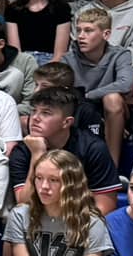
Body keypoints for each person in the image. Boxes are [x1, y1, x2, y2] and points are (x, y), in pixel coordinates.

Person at [7, 85, 120, 215]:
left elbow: (105, 206)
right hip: (37, 225)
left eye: (46, 113)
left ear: (66, 122)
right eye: (34, 111)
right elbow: (24, 204)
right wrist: (37, 155)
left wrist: (76, 229)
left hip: (80, 222)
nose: (35, 118)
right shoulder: (23, 151)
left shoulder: (92, 148)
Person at [63, 5, 133, 163]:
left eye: (88, 31)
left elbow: (125, 84)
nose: (81, 36)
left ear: (106, 34)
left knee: (112, 99)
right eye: (79, 30)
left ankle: (112, 166)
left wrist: (88, 95)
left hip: (110, 110)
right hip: (82, 111)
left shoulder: (120, 55)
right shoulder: (68, 59)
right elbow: (65, 94)